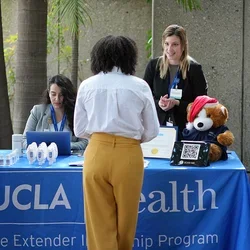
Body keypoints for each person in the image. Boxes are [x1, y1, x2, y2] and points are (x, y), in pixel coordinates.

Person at [74, 35, 159, 250]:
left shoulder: (87, 85)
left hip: (96, 152)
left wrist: (101, 137)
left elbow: (79, 129)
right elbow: (152, 130)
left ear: (98, 57)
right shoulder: (140, 86)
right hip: (128, 154)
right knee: (126, 222)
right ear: (129, 57)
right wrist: (130, 140)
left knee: (98, 223)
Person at [143, 24, 208, 136]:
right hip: (158, 128)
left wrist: (177, 103)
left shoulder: (194, 69)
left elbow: (201, 104)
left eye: (175, 44)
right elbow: (144, 97)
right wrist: (159, 103)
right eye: (167, 44)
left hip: (185, 129)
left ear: (183, 46)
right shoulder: (153, 66)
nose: (169, 49)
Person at [23, 74, 88, 151]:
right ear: (49, 93)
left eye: (61, 95)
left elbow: (85, 142)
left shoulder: (76, 113)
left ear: (67, 95)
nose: (57, 99)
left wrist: (64, 146)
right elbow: (24, 140)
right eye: (53, 94)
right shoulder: (37, 111)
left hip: (68, 159)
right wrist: (41, 148)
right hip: (42, 158)